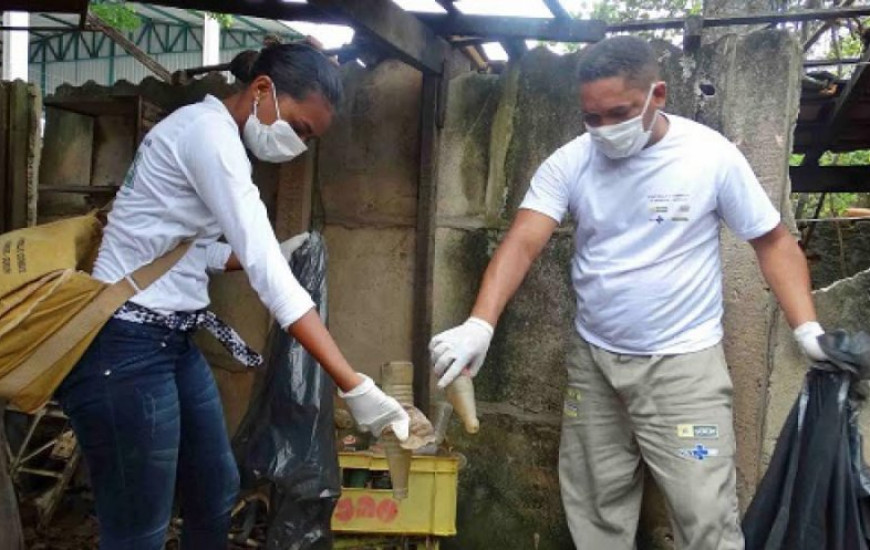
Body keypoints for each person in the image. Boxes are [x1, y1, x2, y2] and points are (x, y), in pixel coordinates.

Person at [429, 36, 826, 549]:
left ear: (657, 94)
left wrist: (807, 327)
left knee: (704, 515)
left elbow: (773, 242)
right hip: (594, 362)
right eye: (591, 117)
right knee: (595, 509)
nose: (603, 130)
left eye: (617, 113)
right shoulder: (571, 161)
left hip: (683, 365)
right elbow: (523, 242)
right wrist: (479, 324)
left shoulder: (709, 156)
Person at [56, 43, 409, 550]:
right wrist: (351, 384)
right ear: (262, 89)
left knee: (215, 490)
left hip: (170, 343)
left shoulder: (204, 132)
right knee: (139, 530)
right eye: (301, 128)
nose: (299, 145)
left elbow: (191, 252)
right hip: (126, 343)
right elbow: (271, 279)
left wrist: (263, 253)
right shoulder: (208, 136)